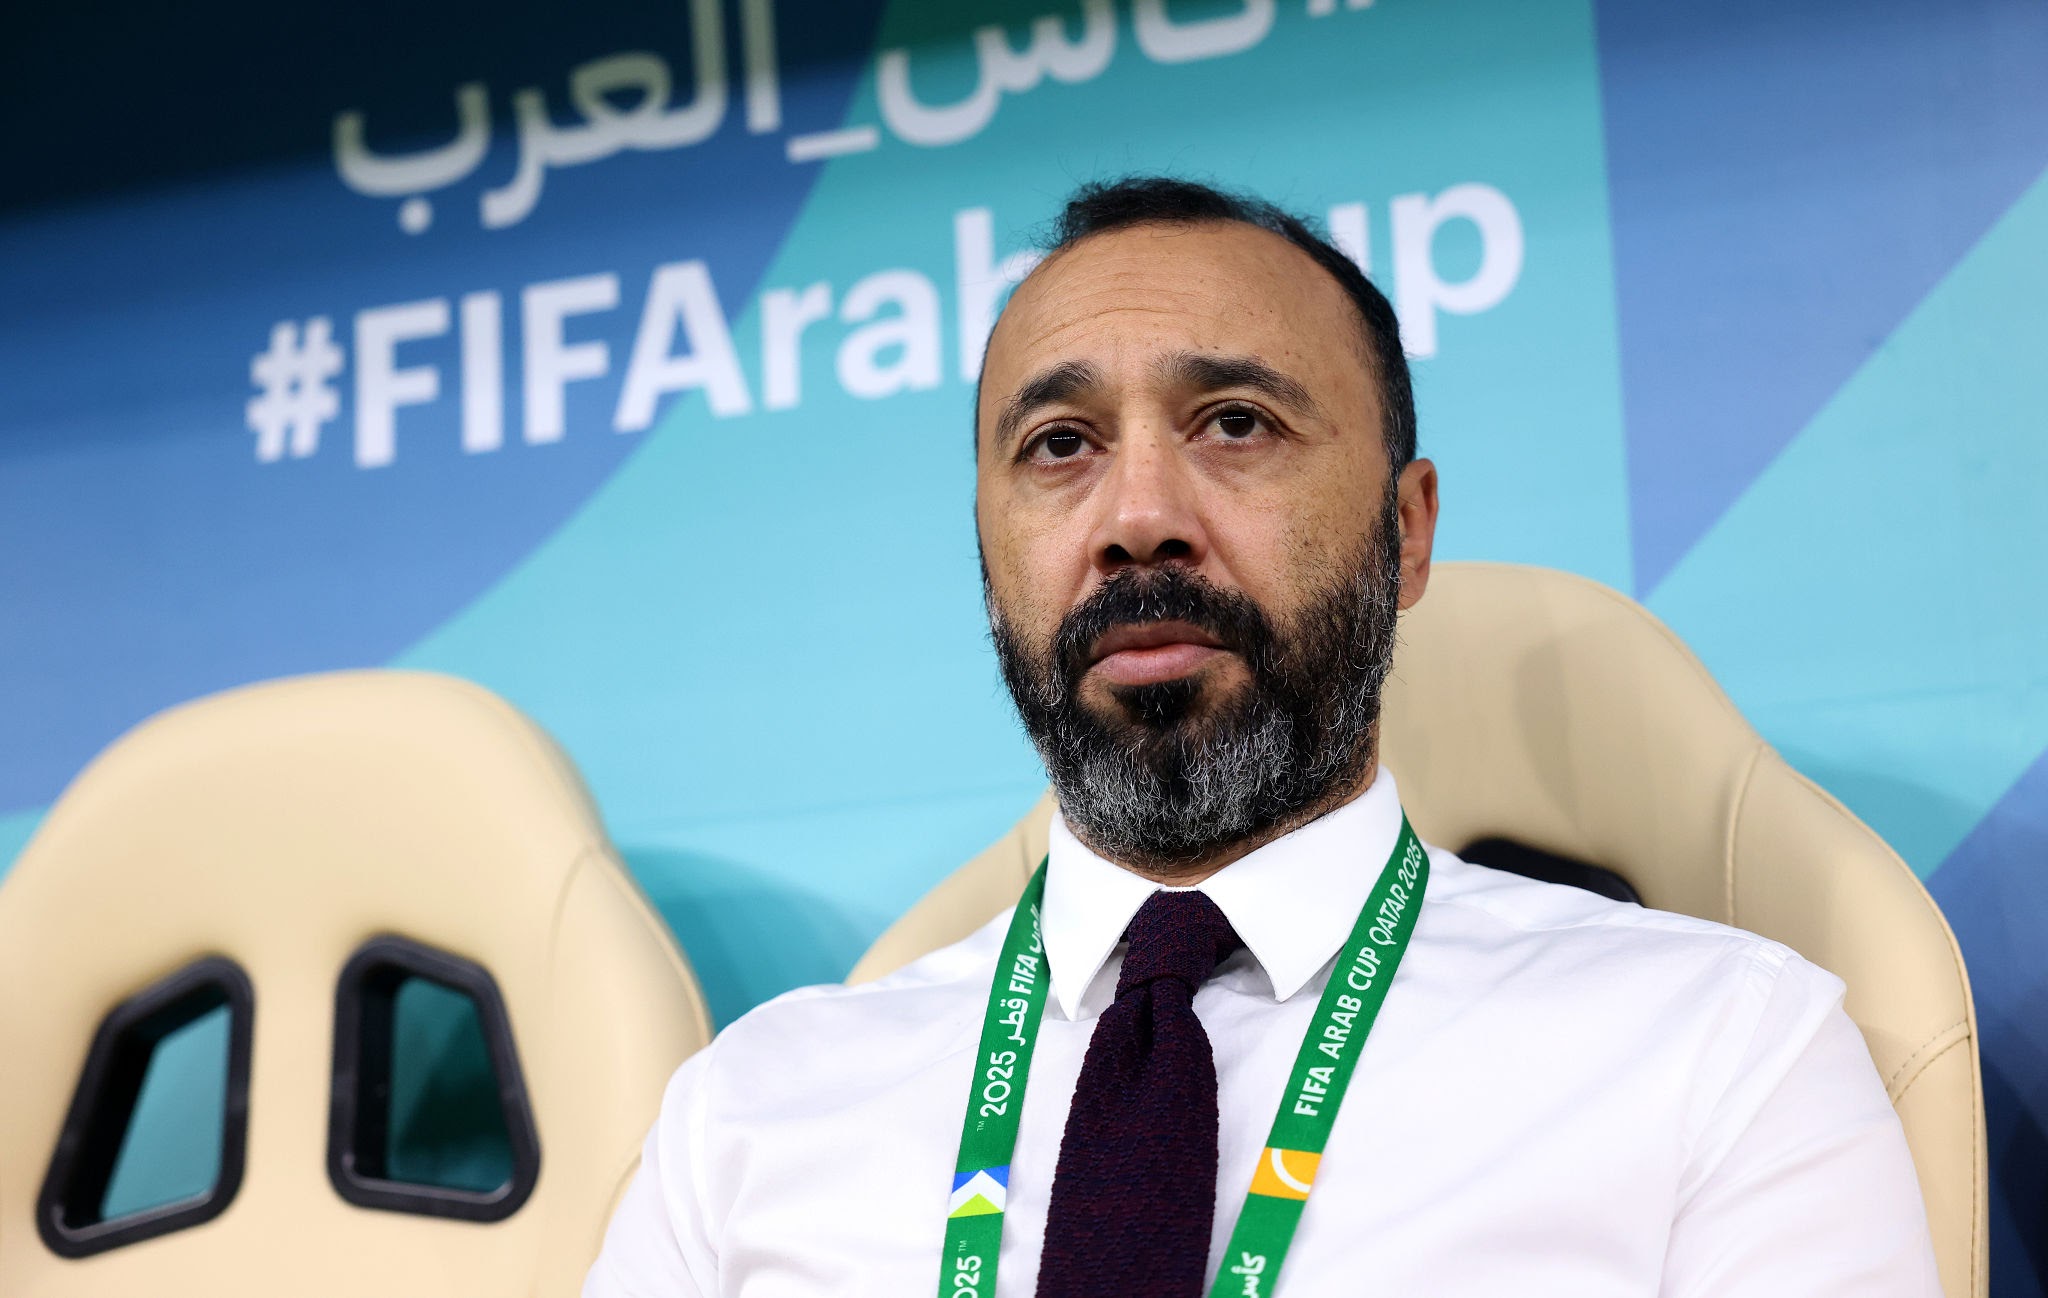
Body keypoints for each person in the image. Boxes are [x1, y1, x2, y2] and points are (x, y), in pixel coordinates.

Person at [584, 177, 1941, 1297]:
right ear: (989, 554)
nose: (1136, 515)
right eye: (1059, 445)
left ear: (1405, 532)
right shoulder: (746, 1118)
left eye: (1235, 424)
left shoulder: (1720, 1055)